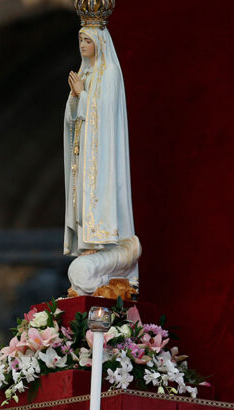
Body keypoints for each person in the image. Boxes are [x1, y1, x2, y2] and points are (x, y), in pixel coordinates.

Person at [63, 17, 141, 295]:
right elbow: (74, 120)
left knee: (99, 196)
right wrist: (75, 98)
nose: (83, 46)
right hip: (86, 155)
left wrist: (83, 96)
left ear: (99, 44)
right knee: (83, 199)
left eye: (88, 41)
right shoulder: (86, 74)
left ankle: (106, 242)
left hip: (103, 155)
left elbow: (105, 117)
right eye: (81, 41)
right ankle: (91, 244)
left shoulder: (109, 74)